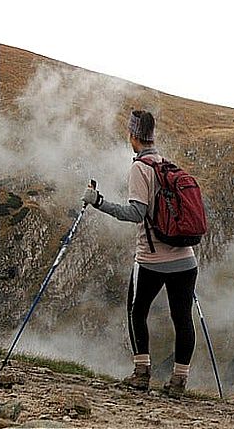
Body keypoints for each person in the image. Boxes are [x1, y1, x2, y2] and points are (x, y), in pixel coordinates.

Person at [82, 109, 197, 398]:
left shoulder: (139, 168)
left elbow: (135, 213)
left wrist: (99, 202)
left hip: (151, 259)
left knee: (137, 310)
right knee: (182, 317)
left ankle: (141, 373)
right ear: (153, 135)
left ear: (133, 135)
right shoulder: (167, 166)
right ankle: (179, 382)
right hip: (185, 258)